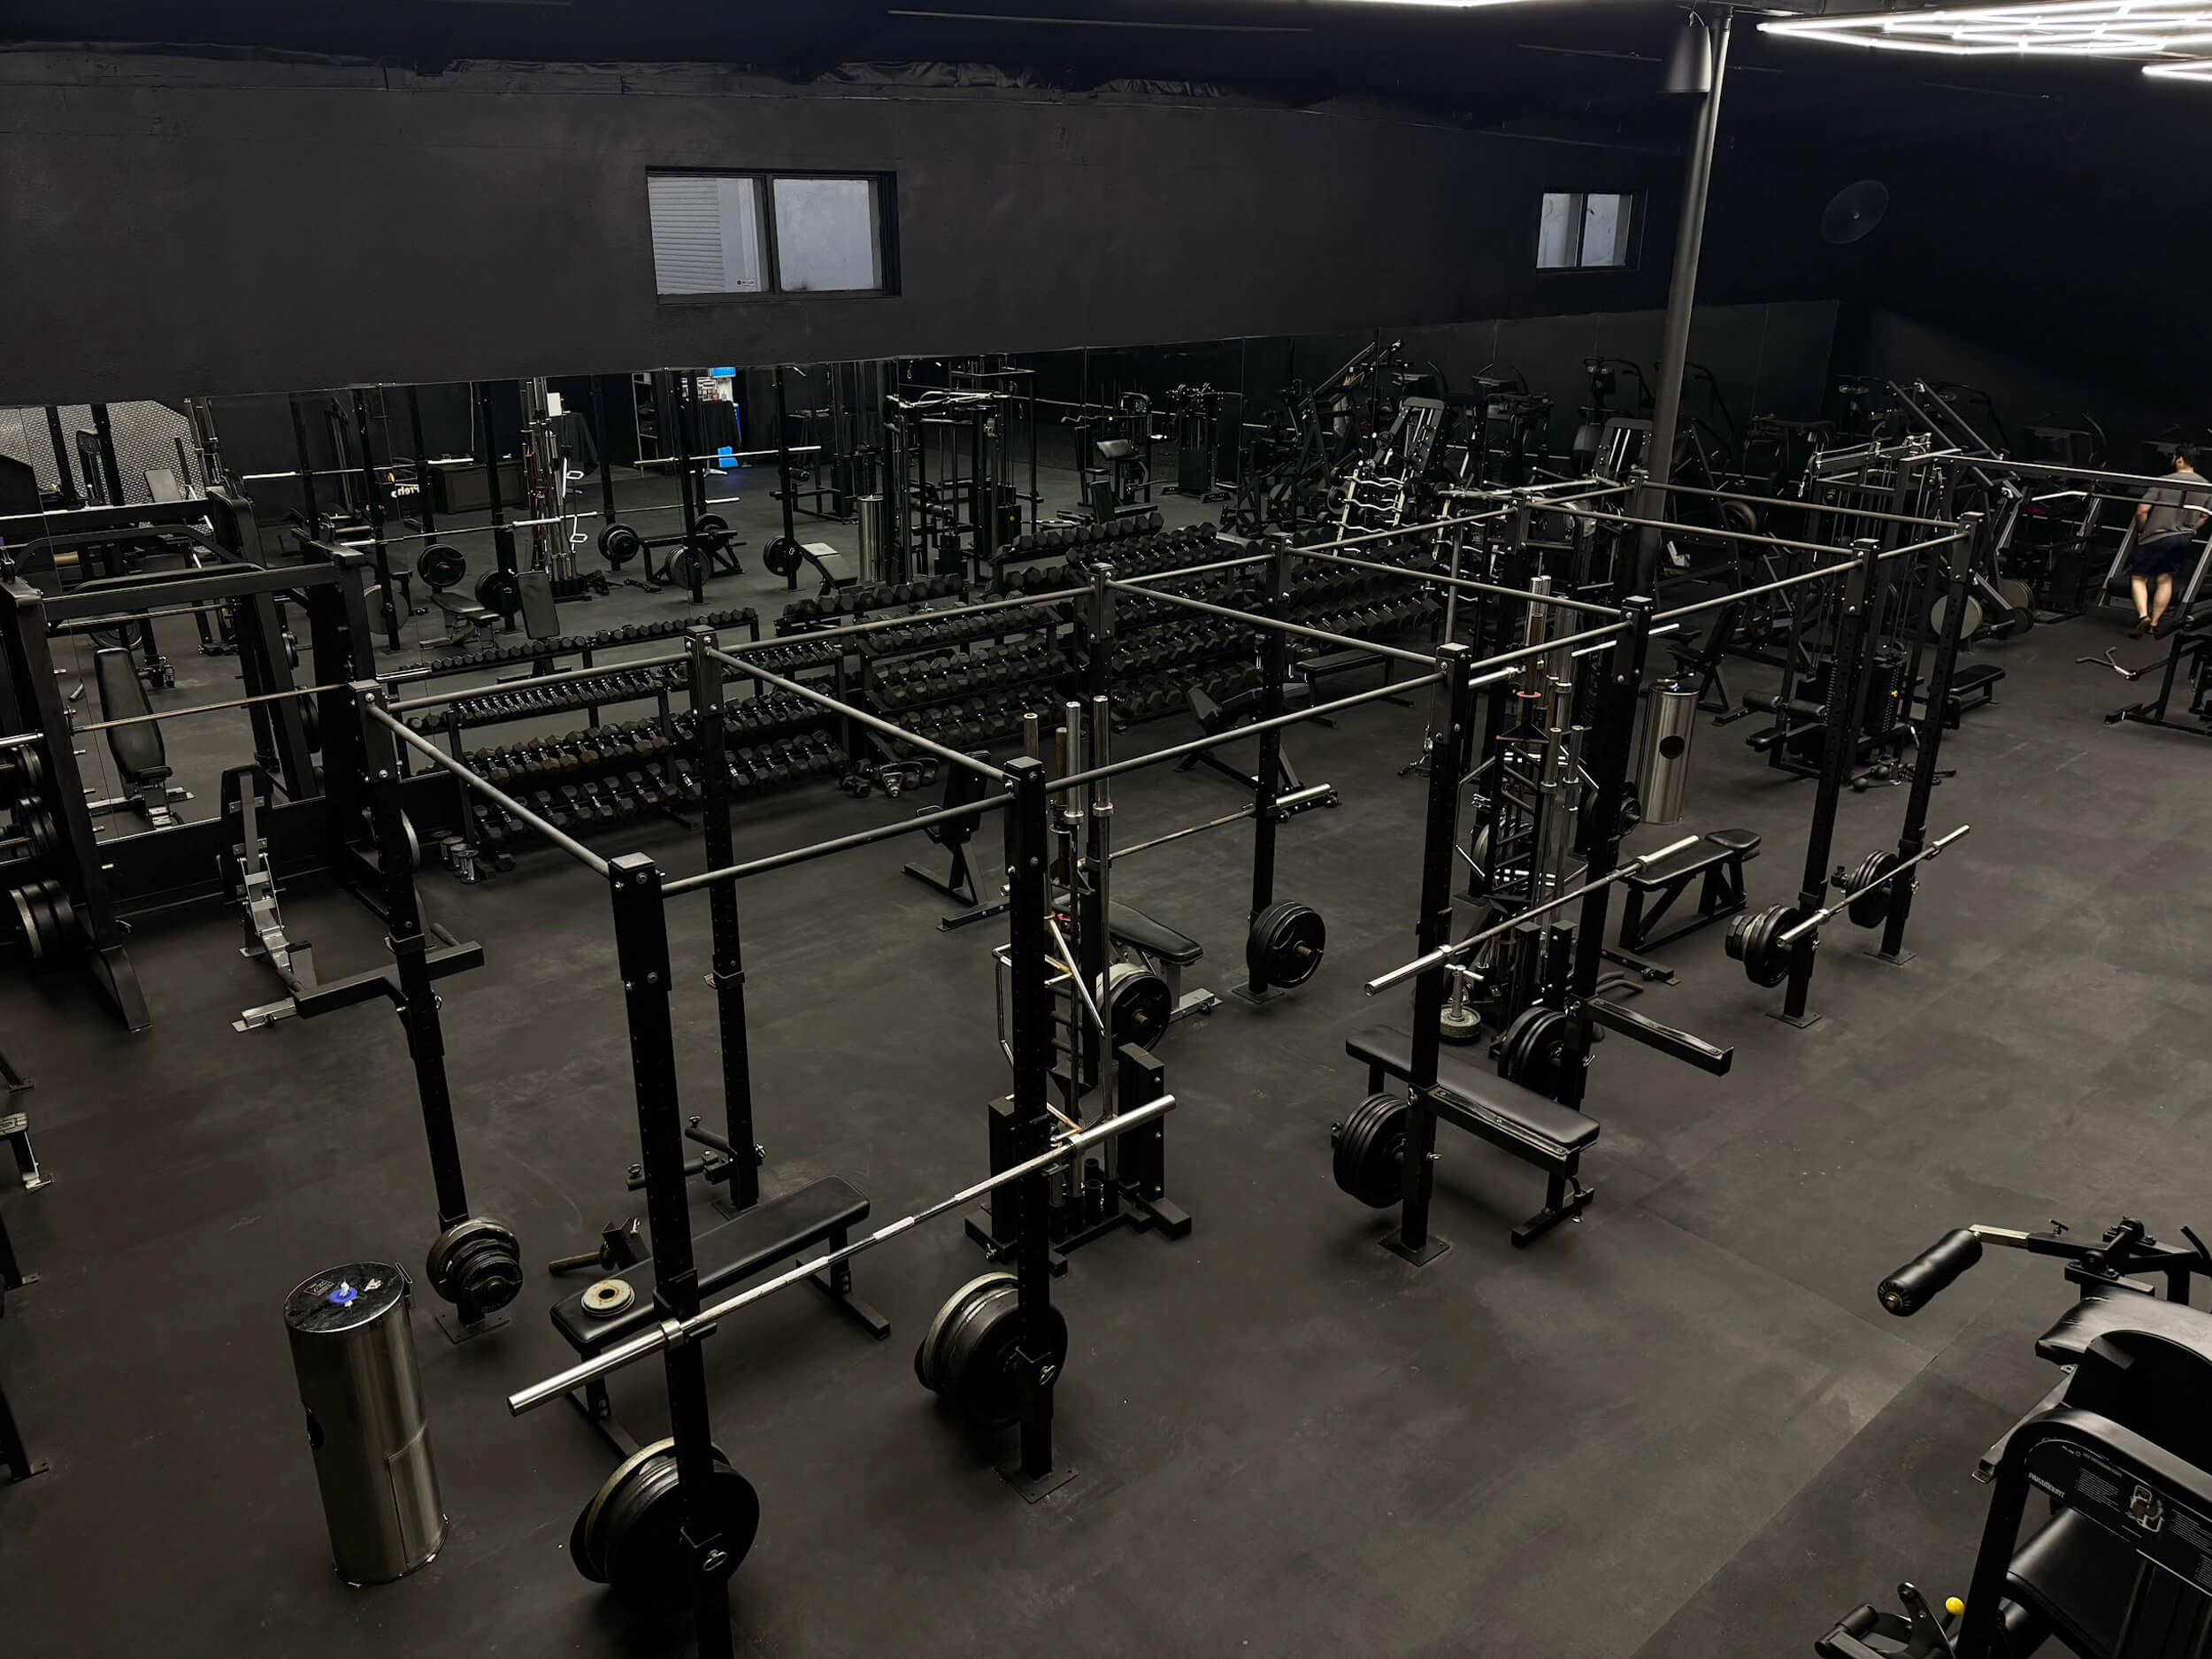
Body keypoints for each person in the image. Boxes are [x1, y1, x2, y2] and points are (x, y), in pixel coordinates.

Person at [2128, 446, 2211, 636]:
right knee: (2165, 578)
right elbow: (2205, 516)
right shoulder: (2206, 485)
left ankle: (2143, 616)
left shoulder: (2164, 481)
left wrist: (2142, 530)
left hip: (2156, 536)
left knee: (2139, 577)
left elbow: (2142, 510)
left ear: (2179, 459)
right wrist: (2192, 530)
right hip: (2183, 538)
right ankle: (2154, 624)